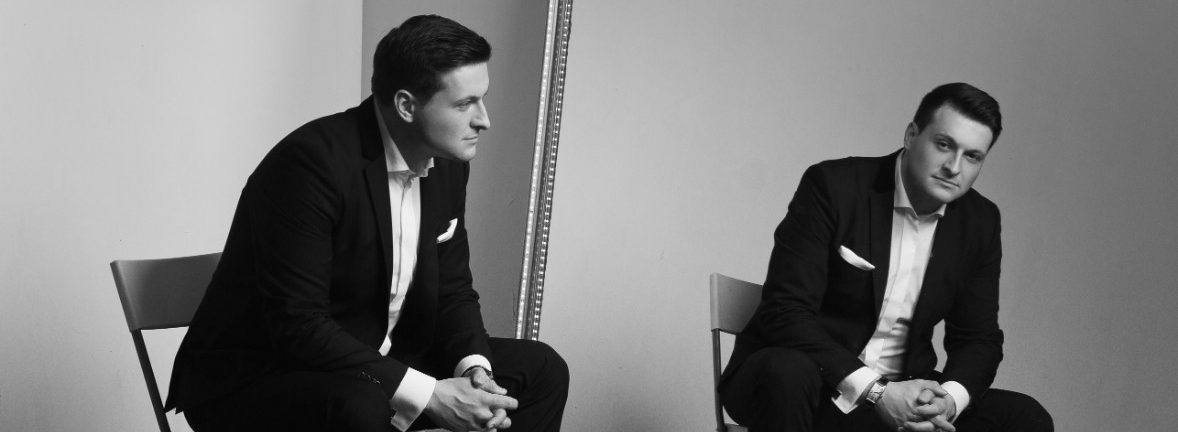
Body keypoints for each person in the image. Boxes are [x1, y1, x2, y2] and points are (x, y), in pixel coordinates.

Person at [165, 15, 568, 432]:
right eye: (464, 104)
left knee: (541, 369)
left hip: (374, 360)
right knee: (362, 406)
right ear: (406, 106)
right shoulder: (308, 166)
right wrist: (430, 394)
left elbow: (452, 290)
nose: (484, 119)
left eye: (481, 99)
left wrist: (475, 373)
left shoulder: (446, 164)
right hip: (262, 375)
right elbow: (298, 326)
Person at [719, 83, 1052, 431]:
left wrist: (946, 403)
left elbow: (977, 338)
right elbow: (786, 311)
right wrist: (876, 392)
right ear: (911, 135)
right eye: (944, 144)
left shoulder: (980, 222)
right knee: (787, 372)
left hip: (902, 393)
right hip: (812, 384)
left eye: (972, 156)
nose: (954, 167)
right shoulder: (834, 186)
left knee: (1024, 417)